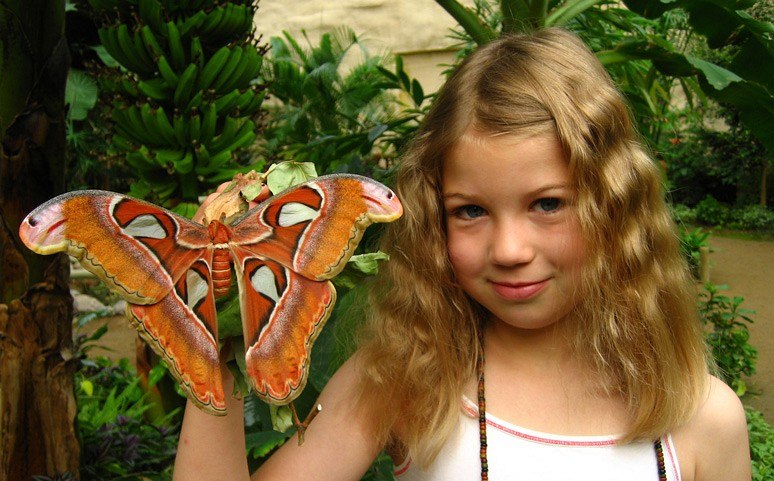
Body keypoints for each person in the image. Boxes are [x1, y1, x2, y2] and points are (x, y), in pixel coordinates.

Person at [172, 28, 751, 480]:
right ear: (433, 218)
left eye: (548, 204)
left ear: (616, 206)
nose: (509, 250)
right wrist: (216, 328)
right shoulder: (403, 379)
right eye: (470, 211)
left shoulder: (702, 419)